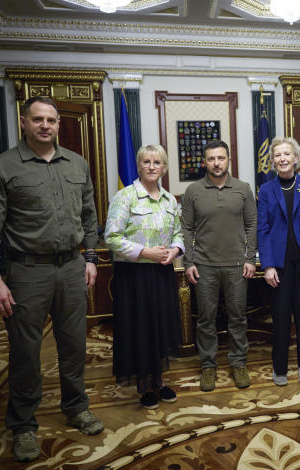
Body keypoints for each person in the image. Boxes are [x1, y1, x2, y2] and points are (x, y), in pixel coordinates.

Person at [0, 96, 103, 462]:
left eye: (52, 120)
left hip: (71, 267)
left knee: (74, 344)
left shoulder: (76, 163)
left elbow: (89, 214)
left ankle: (76, 406)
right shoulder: (3, 167)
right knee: (26, 352)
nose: (46, 125)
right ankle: (23, 424)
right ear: (24, 122)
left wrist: (90, 257)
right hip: (26, 271)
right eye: (38, 119)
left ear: (59, 125)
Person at [103, 144, 184, 409]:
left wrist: (176, 250)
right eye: (146, 162)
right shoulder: (125, 197)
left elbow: (179, 233)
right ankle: (144, 385)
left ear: (164, 167)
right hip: (134, 275)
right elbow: (111, 237)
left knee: (160, 325)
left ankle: (159, 380)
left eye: (157, 162)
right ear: (139, 165)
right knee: (140, 327)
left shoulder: (170, 200)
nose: (151, 167)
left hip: (162, 273)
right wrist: (144, 251)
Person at [181, 139, 257, 391]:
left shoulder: (243, 189)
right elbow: (187, 228)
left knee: (238, 317)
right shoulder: (193, 191)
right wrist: (189, 261)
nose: (216, 163)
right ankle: (208, 366)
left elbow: (251, 225)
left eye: (221, 158)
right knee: (206, 319)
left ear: (228, 160)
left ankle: (238, 362)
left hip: (237, 265)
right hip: (204, 266)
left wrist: (249, 258)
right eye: (211, 159)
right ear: (205, 162)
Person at [257, 136, 300, 386]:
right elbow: (262, 229)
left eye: (287, 154)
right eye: (278, 155)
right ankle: (280, 367)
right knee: (281, 316)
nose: (282, 159)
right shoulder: (266, 190)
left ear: (296, 158)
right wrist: (268, 265)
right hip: (279, 264)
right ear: (272, 161)